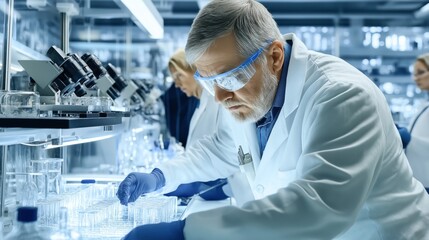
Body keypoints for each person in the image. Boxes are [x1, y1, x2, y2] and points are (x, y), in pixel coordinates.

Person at [117, 1, 429, 239]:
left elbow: (319, 206)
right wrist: (159, 176)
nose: (220, 97)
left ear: (275, 57)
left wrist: (188, 232)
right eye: (211, 83)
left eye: (232, 77)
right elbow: (219, 150)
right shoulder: (250, 99)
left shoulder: (341, 96)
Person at [164, 49, 227, 199]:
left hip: (214, 189)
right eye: (174, 79)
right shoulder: (200, 104)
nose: (177, 85)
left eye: (179, 75)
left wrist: (201, 186)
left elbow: (223, 150)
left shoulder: (216, 101)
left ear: (195, 71)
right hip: (201, 187)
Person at [405, 53, 429, 193]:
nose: (416, 78)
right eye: (414, 74)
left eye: (421, 73)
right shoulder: (424, 105)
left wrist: (410, 140)